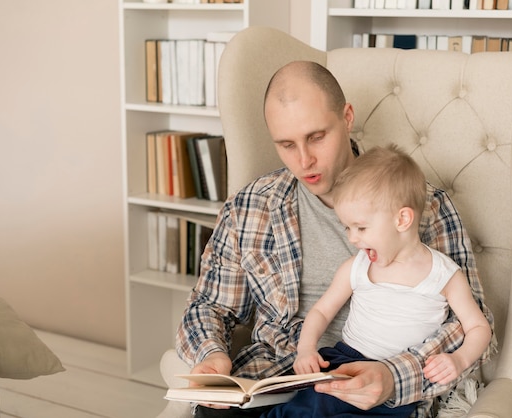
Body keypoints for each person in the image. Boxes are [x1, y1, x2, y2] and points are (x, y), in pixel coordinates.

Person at [176, 60, 495, 418]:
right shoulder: (250, 206)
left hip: (381, 384)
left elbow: (472, 322)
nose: (304, 160)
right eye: (286, 145)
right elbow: (210, 305)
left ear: (347, 117)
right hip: (276, 375)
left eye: (316, 137)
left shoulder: (424, 206)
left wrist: (395, 376)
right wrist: (212, 355)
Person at [260, 145, 492, 418]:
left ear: (402, 219)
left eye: (361, 228)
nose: (352, 238)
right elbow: (321, 311)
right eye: (347, 228)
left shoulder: (444, 275)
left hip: (396, 383)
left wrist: (459, 359)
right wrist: (306, 349)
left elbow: (478, 327)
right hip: (344, 361)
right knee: (305, 409)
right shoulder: (357, 267)